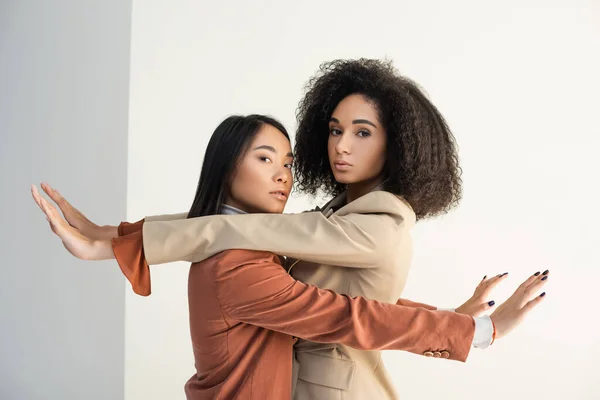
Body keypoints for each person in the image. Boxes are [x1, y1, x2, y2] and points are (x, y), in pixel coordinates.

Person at [32, 59, 549, 400]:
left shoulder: (380, 224)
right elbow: (230, 227)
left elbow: (352, 313)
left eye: (362, 132)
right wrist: (117, 234)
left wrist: (475, 331)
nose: (341, 146)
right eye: (334, 130)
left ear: (399, 145)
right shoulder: (340, 216)